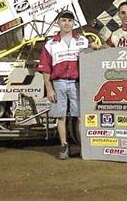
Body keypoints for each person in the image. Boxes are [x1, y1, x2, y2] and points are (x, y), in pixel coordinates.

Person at [37, 10, 89, 160]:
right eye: (64, 20)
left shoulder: (83, 41)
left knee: (80, 116)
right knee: (61, 117)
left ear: (74, 23)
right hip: (58, 83)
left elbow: (92, 60)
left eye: (70, 21)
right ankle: (64, 145)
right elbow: (45, 69)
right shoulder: (50, 44)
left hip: (77, 83)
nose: (67, 23)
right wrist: (49, 89)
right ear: (58, 23)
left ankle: (83, 147)